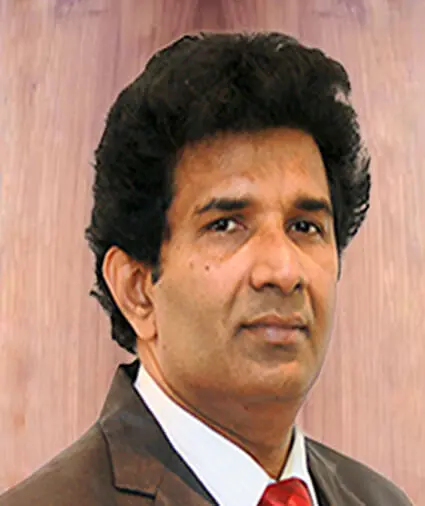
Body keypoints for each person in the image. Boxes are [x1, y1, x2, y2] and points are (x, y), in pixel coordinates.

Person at [0, 31, 412, 506]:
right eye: (227, 225)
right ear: (137, 290)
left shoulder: (381, 500)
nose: (283, 271)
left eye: (304, 226)